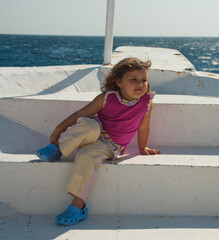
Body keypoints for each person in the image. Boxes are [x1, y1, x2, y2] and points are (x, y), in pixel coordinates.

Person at [36, 57, 160, 226]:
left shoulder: (147, 103)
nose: (140, 84)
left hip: (109, 146)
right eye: (134, 79)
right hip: (95, 131)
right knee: (89, 125)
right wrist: (57, 132)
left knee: (87, 156)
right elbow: (81, 114)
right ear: (119, 82)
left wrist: (142, 146)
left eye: (144, 80)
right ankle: (58, 148)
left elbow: (143, 127)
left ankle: (78, 206)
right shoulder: (107, 98)